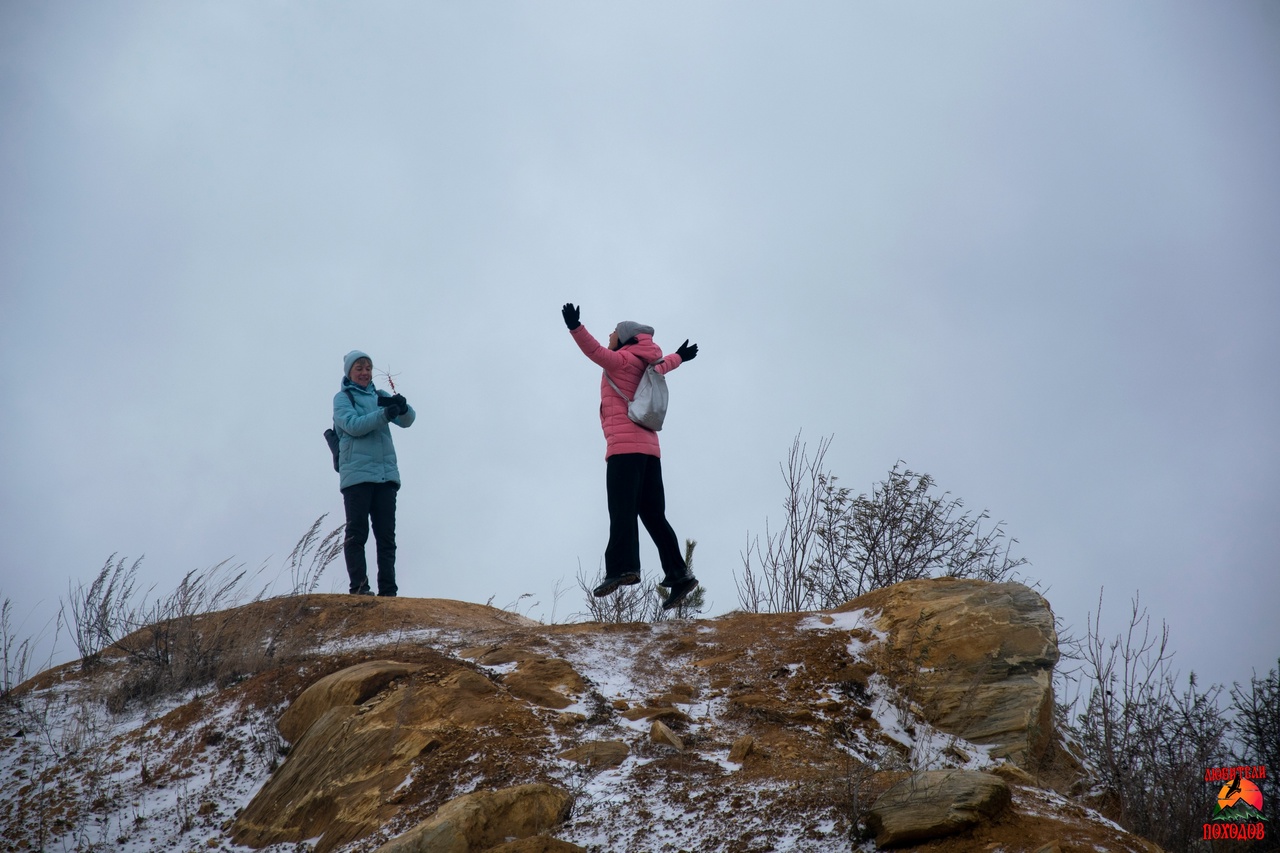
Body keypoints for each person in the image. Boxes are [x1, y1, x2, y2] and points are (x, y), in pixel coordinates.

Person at [561, 303, 701, 610]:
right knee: (653, 514)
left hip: (624, 451)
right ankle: (679, 574)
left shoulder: (622, 360)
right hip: (650, 452)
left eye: (614, 332)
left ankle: (622, 568)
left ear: (624, 339)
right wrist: (681, 356)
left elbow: (595, 352)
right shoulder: (647, 362)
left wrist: (575, 327)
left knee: (622, 510)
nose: (610, 335)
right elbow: (665, 364)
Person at [333, 350, 415, 597]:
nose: (365, 372)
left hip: (385, 476)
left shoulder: (380, 395)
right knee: (357, 534)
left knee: (386, 537)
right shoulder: (343, 398)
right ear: (349, 372)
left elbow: (407, 420)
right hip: (357, 476)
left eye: (368, 368)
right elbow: (353, 426)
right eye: (359, 368)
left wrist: (402, 406)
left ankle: (388, 592)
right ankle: (359, 589)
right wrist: (385, 414)